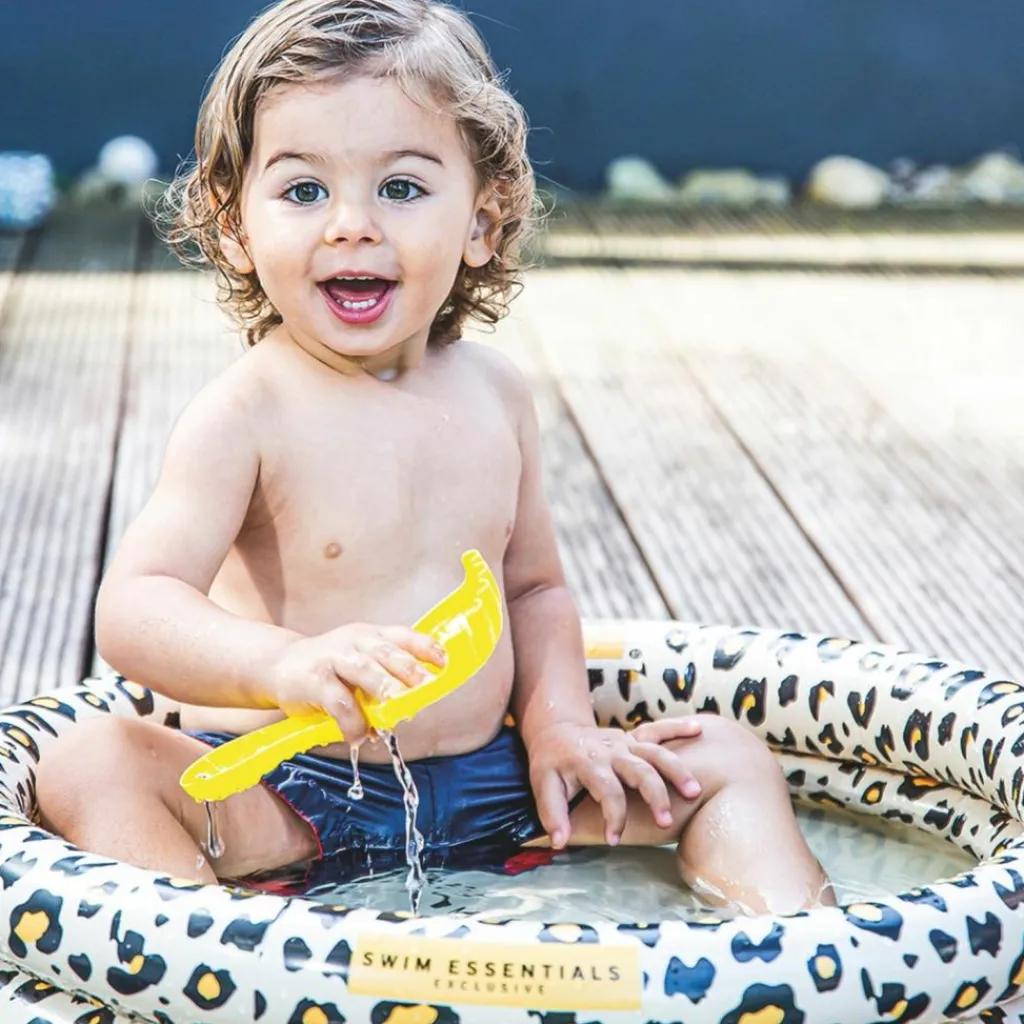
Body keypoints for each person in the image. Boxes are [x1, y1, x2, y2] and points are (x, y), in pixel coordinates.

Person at [35, 0, 831, 915]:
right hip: (288, 792)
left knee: (723, 757)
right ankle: (209, 957)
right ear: (234, 228)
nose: (351, 225)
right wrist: (284, 664)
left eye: (402, 189)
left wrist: (561, 730)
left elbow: (534, 591)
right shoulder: (247, 413)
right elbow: (136, 607)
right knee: (90, 762)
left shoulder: (495, 395)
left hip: (493, 786)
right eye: (304, 192)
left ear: (483, 222)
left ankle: (802, 953)